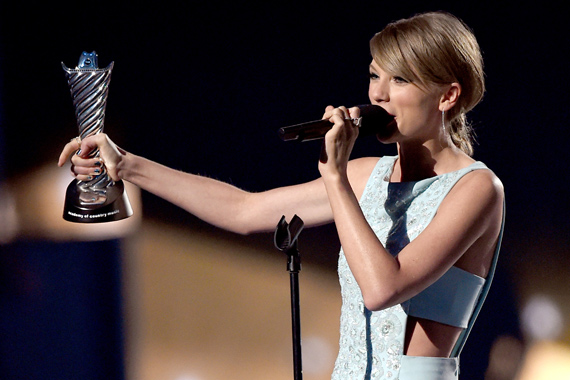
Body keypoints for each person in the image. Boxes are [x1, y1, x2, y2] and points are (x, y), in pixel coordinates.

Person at [59, 11, 505, 380]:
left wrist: (335, 178)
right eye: (374, 76)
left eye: (401, 80)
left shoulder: (478, 189)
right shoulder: (368, 174)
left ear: (447, 95)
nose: (378, 95)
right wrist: (130, 165)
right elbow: (244, 209)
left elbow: (383, 287)